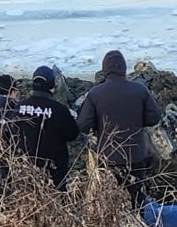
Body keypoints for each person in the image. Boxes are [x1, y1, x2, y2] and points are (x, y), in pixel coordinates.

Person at [76, 50, 162, 210]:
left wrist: (98, 126)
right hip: (136, 155)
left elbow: (82, 125)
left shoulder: (95, 94)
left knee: (111, 201)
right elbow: (155, 117)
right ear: (124, 68)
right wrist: (137, 121)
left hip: (108, 156)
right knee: (137, 199)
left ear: (105, 69)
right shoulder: (140, 90)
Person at [16, 65, 80, 190]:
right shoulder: (60, 110)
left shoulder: (18, 108)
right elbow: (73, 134)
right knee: (58, 199)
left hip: (24, 169)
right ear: (52, 87)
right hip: (54, 169)